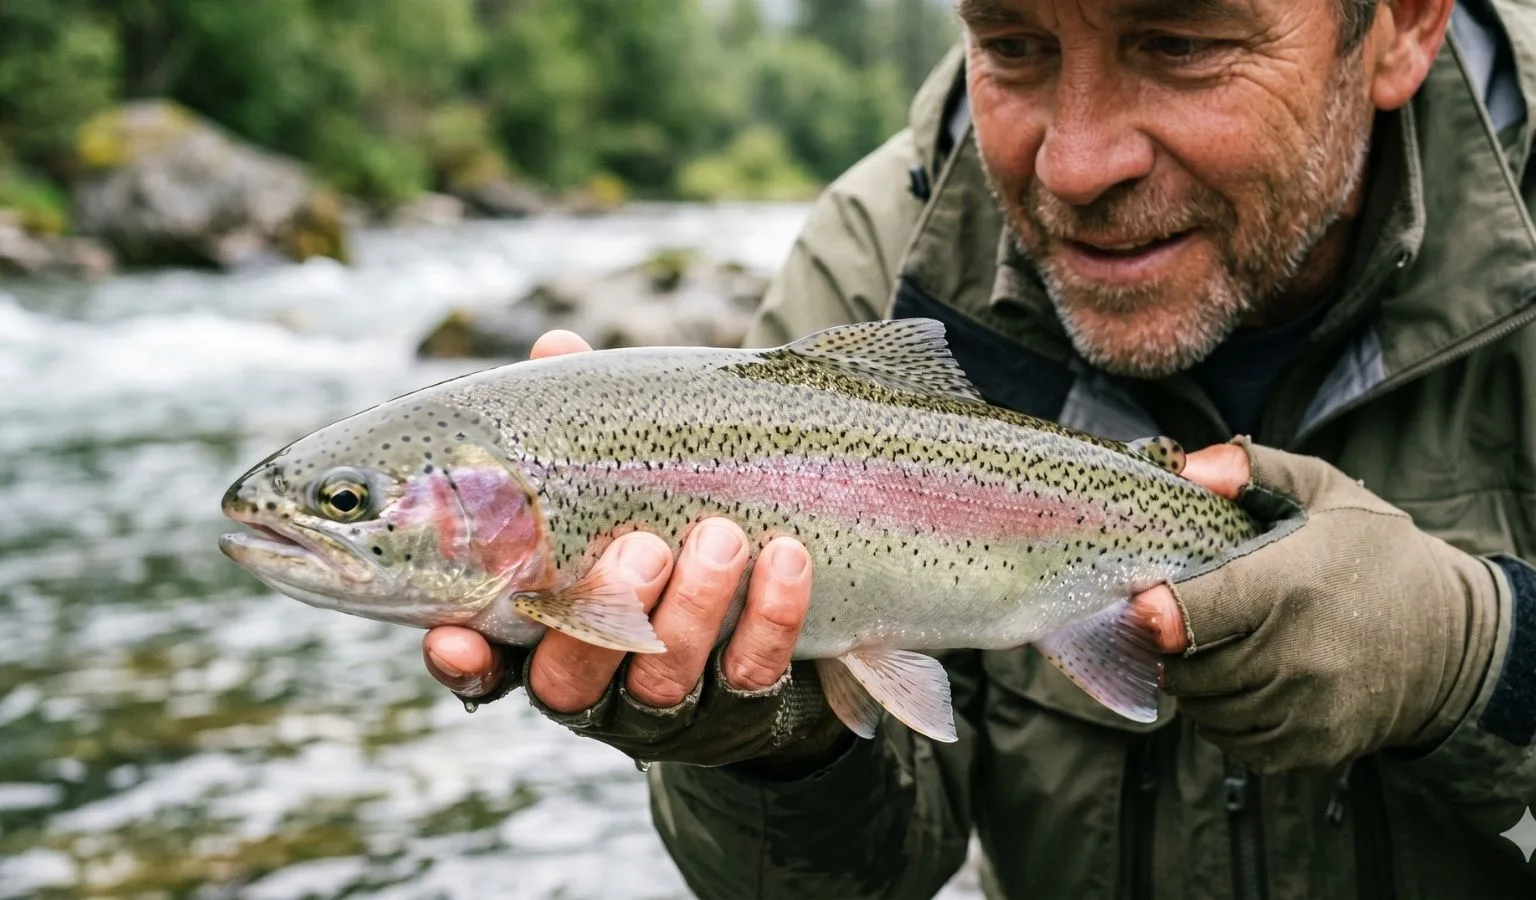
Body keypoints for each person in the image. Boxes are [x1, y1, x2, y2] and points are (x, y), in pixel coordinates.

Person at [420, 0, 1536, 895]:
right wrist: (769, 742)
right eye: (1012, 45)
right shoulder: (883, 256)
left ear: (1402, 27)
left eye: (1179, 43)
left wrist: (1482, 657)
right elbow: (856, 881)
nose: (1077, 165)